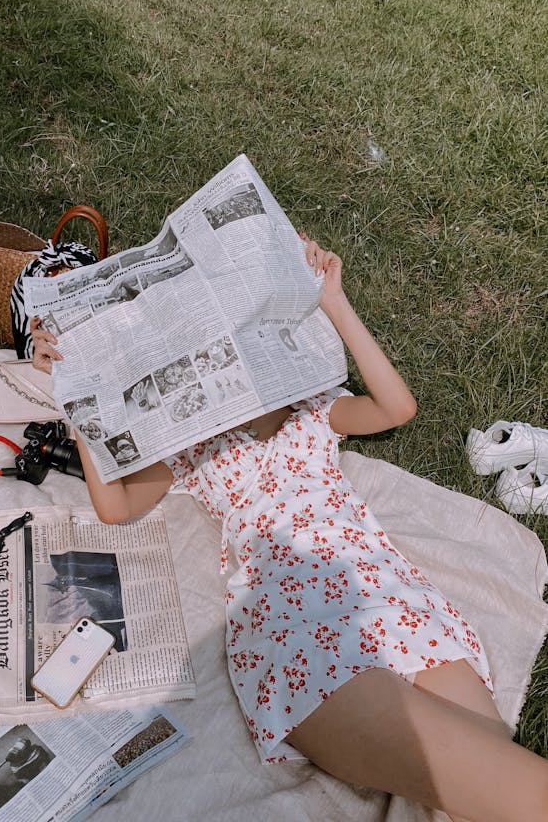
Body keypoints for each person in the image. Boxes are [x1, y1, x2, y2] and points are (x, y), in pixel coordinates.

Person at [30, 240, 548, 822]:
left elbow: (397, 408)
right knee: (509, 786)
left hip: (388, 592)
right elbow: (116, 508)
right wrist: (77, 406)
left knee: (495, 770)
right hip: (295, 620)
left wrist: (335, 302)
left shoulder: (315, 409)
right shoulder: (194, 446)